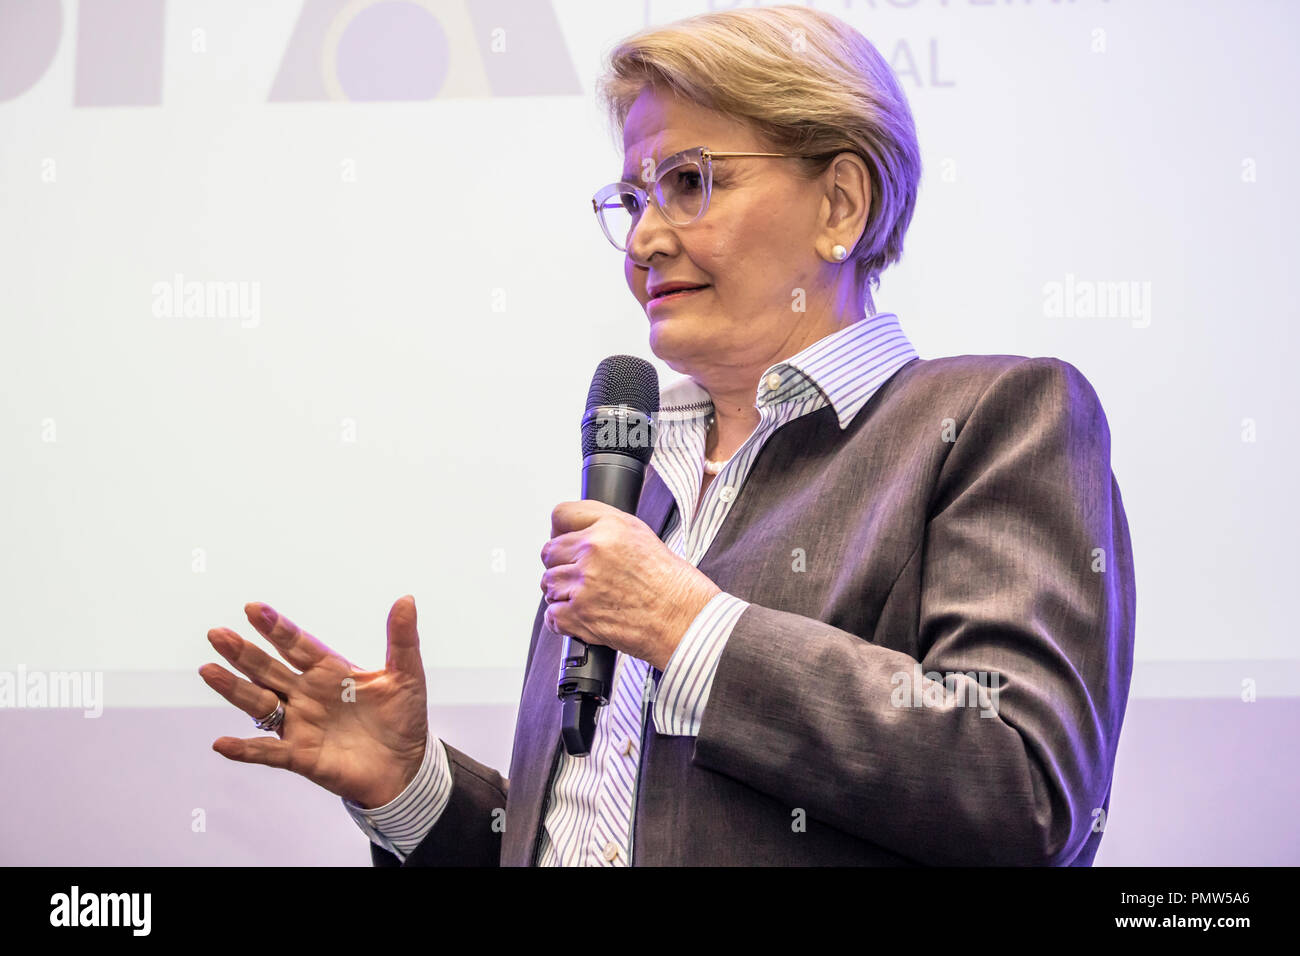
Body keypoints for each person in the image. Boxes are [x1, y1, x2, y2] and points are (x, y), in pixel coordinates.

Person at [198, 5, 1135, 866]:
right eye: (634, 199)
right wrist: (414, 791)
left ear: (841, 204)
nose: (645, 239)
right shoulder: (635, 480)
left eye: (689, 183)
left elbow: (1026, 791)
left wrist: (685, 627)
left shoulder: (994, 420)